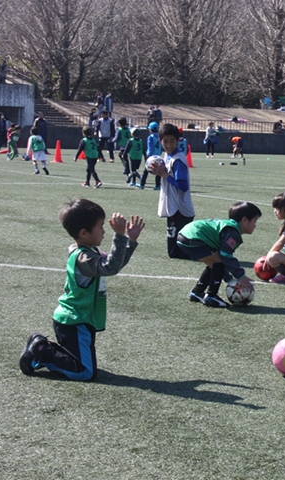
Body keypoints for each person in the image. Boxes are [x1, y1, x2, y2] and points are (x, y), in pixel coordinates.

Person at [19, 198, 144, 381]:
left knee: (83, 366)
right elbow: (110, 267)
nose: (103, 231)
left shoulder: (89, 251)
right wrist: (120, 236)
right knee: (85, 373)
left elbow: (113, 264)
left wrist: (130, 241)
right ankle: (42, 351)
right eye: (100, 226)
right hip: (74, 321)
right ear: (84, 233)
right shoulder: (83, 258)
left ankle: (49, 351)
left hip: (79, 319)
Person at [177, 202, 261, 308]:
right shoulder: (232, 232)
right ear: (244, 220)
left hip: (185, 236)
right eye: (255, 220)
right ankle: (211, 295)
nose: (255, 225)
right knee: (219, 262)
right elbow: (226, 256)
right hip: (194, 237)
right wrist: (241, 276)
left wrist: (229, 279)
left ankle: (197, 292)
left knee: (214, 264)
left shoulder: (228, 227)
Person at [148, 123, 196, 259]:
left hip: (180, 209)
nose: (169, 145)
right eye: (165, 141)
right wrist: (159, 172)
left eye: (172, 141)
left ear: (178, 140)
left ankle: (208, 253)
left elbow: (183, 186)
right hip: (174, 207)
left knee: (174, 252)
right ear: (160, 140)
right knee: (175, 250)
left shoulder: (177, 160)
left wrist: (164, 175)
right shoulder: (167, 156)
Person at [139, 121, 162, 190]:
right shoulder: (160, 137)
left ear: (150, 129)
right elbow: (161, 147)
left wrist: (148, 156)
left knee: (146, 170)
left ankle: (142, 184)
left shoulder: (150, 137)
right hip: (158, 156)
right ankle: (158, 185)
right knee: (158, 171)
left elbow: (150, 147)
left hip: (151, 156)